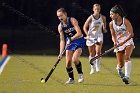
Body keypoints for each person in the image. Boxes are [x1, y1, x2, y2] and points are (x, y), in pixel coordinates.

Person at [56, 8, 85, 84]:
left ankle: (80, 74)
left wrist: (71, 39)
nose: (60, 18)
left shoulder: (72, 20)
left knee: (75, 59)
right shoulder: (60, 27)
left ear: (65, 14)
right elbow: (62, 40)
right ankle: (71, 79)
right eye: (58, 16)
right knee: (68, 63)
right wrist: (60, 53)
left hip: (79, 40)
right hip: (70, 42)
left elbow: (79, 33)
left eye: (61, 15)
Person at [109, 5, 134, 84]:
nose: (110, 16)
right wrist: (115, 42)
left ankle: (127, 77)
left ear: (117, 14)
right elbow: (113, 35)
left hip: (128, 41)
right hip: (119, 43)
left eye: (112, 14)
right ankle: (119, 69)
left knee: (127, 57)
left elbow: (131, 34)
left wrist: (124, 41)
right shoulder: (111, 24)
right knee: (121, 64)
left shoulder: (125, 21)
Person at [83, 4, 107, 74]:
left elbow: (104, 23)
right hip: (91, 36)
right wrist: (88, 35)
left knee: (98, 51)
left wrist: (104, 28)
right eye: (96, 9)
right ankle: (92, 68)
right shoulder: (90, 18)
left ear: (100, 9)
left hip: (99, 35)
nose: (97, 10)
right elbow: (84, 27)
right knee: (91, 54)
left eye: (98, 9)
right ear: (93, 9)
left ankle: (97, 65)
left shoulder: (103, 17)